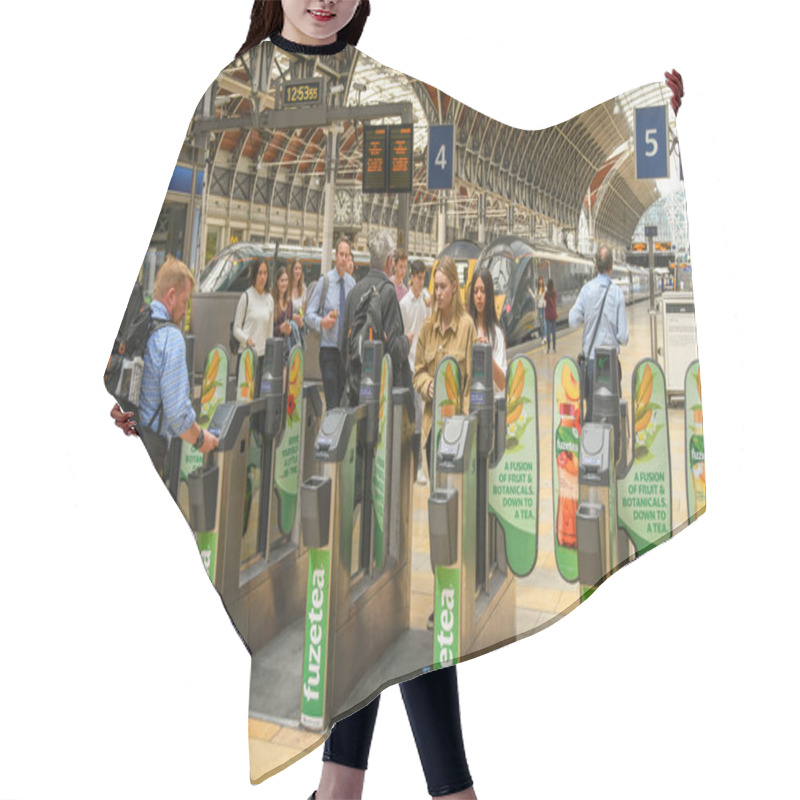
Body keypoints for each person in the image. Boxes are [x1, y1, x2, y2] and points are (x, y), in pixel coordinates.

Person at [110, 256, 219, 471]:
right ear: (171, 296)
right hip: (149, 449)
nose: (185, 311)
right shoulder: (171, 338)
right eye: (184, 302)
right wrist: (201, 439)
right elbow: (178, 414)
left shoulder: (138, 322)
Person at [414, 255, 476, 482]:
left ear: (454, 287)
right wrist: (427, 385)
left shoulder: (467, 327)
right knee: (437, 495)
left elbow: (470, 383)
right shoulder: (427, 329)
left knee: (456, 496)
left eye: (442, 287)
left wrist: (466, 422)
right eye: (435, 287)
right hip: (433, 429)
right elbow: (418, 371)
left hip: (457, 429)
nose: (437, 293)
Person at [340, 229, 411, 406]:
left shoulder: (353, 293)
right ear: (389, 261)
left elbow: (343, 347)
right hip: (381, 396)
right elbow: (393, 349)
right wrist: (406, 341)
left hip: (356, 393)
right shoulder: (388, 292)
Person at [568, 245, 629, 420]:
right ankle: (613, 445)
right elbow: (623, 337)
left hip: (591, 365)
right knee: (611, 413)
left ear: (596, 266)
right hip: (609, 364)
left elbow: (572, 321)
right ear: (611, 267)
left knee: (592, 413)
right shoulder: (617, 294)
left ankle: (592, 445)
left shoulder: (586, 290)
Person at [305, 238, 355, 410]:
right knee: (332, 401)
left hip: (345, 353)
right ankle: (329, 434)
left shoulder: (351, 284)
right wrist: (322, 322)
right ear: (336, 256)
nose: (343, 258)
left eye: (346, 255)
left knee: (343, 400)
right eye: (341, 254)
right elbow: (308, 315)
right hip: (328, 351)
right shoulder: (325, 282)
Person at [400, 259, 432, 484]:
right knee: (415, 416)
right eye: (418, 277)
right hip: (409, 366)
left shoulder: (424, 302)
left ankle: (419, 466)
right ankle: (415, 465)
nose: (421, 281)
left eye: (424, 278)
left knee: (422, 415)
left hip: (423, 365)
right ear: (411, 277)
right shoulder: (404, 304)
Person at [467, 267, 506, 393]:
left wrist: (487, 354)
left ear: (489, 295)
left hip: (491, 404)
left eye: (483, 291)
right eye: (475, 291)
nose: (479, 296)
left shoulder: (497, 334)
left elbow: (503, 383)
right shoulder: (466, 330)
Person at [233, 258, 274, 358]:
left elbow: (269, 333)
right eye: (259, 273)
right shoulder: (246, 296)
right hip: (246, 354)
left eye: (265, 273)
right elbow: (236, 329)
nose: (262, 277)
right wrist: (246, 339)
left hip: (262, 356)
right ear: (254, 275)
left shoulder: (269, 299)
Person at [290, 257, 307, 331]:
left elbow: (302, 310)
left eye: (300, 269)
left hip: (298, 325)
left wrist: (300, 317)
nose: (298, 271)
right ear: (292, 270)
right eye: (296, 268)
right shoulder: (287, 288)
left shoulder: (303, 289)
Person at [544, 278, 557, 354]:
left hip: (548, 314)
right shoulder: (554, 292)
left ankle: (548, 348)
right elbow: (555, 300)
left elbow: (545, 299)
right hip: (553, 314)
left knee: (548, 332)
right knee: (554, 332)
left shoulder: (546, 293)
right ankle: (554, 348)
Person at [535, 276, 546, 345]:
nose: (540, 282)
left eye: (541, 280)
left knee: (544, 322)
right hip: (539, 306)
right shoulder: (537, 290)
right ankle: (542, 337)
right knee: (541, 323)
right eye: (539, 280)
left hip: (544, 306)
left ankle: (545, 337)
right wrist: (537, 296)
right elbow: (536, 298)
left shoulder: (545, 288)